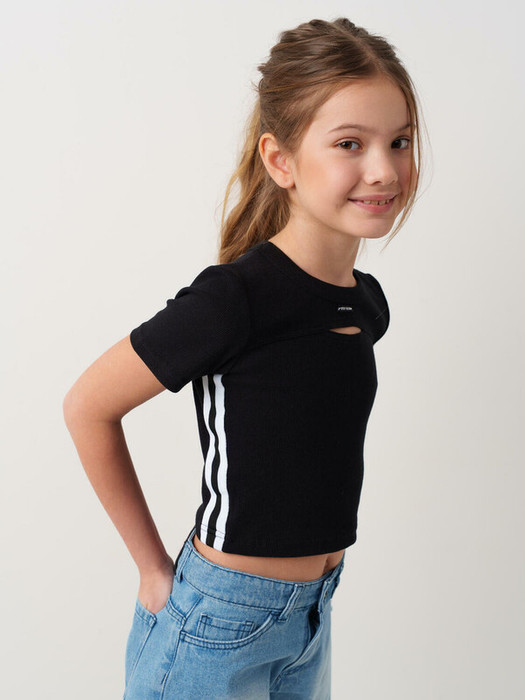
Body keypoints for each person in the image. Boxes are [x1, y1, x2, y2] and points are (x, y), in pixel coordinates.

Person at [63, 16, 425, 700]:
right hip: (219, 623)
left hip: (312, 619)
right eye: (350, 143)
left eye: (398, 141)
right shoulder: (235, 299)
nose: (383, 169)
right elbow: (88, 407)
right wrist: (151, 568)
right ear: (280, 160)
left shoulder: (365, 304)